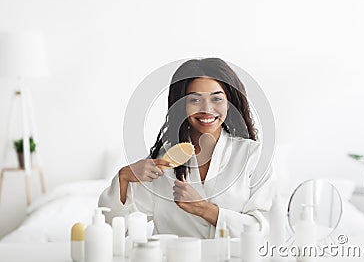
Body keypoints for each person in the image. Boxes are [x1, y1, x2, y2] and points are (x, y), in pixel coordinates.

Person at [99, 58, 277, 239]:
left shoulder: (253, 156)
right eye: (195, 100)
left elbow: (264, 230)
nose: (207, 109)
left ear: (229, 103)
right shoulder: (162, 162)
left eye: (216, 98)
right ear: (181, 105)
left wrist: (204, 209)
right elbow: (115, 230)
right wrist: (123, 177)